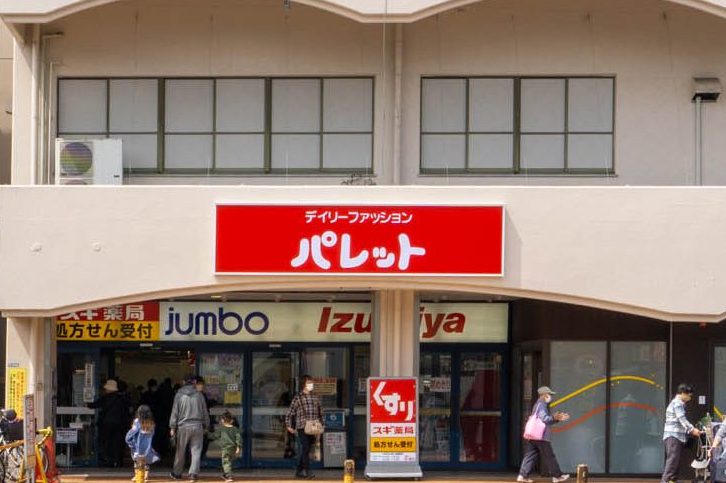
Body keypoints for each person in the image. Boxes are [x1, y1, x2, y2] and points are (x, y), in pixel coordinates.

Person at [517, 386, 571, 483]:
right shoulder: (542, 404)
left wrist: (556, 419)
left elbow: (545, 420)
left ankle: (522, 475)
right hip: (541, 436)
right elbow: (545, 419)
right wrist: (555, 418)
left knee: (530, 456)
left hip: (533, 436)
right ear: (544, 395)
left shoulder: (537, 404)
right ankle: (557, 476)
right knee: (549, 456)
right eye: (549, 394)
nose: (550, 397)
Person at [169, 375, 209, 482]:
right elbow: (204, 411)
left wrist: (172, 427)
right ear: (194, 382)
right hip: (197, 426)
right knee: (196, 451)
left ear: (183, 382)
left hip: (183, 426)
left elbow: (175, 412)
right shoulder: (199, 395)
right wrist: (206, 425)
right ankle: (193, 474)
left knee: (180, 451)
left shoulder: (179, 395)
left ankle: (177, 473)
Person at [661, 383, 702, 483]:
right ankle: (665, 481)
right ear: (683, 393)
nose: (690, 398)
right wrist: (692, 430)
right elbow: (682, 419)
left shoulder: (677, 403)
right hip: (673, 436)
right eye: (689, 396)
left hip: (675, 436)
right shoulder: (677, 403)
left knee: (675, 460)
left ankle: (672, 480)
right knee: (672, 461)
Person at [286, 375, 323, 480]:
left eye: (312, 382)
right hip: (302, 427)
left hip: (314, 427)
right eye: (309, 383)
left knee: (306, 450)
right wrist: (288, 425)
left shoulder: (315, 397)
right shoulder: (298, 398)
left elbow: (321, 412)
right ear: (304, 384)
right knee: (306, 447)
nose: (311, 384)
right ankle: (308, 471)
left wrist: (322, 424)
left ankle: (298, 471)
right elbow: (290, 413)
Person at [89, 379, 131, 468]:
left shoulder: (105, 398)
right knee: (117, 443)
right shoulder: (122, 399)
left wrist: (86, 404)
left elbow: (93, 405)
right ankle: (118, 461)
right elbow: (126, 412)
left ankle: (109, 461)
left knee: (107, 443)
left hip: (107, 424)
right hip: (119, 424)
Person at [125, 405, 160, 482]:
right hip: (148, 447)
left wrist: (130, 442)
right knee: (146, 462)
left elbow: (131, 433)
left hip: (138, 446)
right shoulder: (151, 423)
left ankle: (137, 475)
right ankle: (145, 476)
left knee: (137, 461)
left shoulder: (137, 421)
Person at [208, 411, 242, 483]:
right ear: (232, 420)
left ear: (222, 420)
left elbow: (214, 436)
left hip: (225, 448)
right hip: (233, 448)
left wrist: (207, 433)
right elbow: (238, 438)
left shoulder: (221, 429)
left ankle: (228, 476)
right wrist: (238, 447)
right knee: (229, 461)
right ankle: (225, 474)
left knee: (226, 462)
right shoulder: (235, 429)